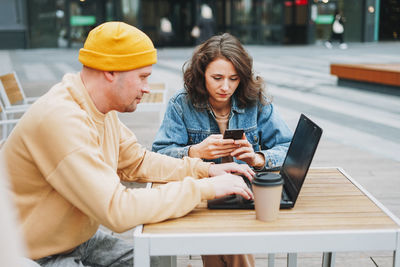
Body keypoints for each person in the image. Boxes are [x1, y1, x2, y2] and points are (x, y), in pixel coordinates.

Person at [1, 22, 255, 266]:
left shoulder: (97, 108)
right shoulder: (61, 119)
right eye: (143, 77)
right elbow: (117, 210)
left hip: (75, 239)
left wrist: (205, 170)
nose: (146, 88)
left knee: (157, 262)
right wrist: (204, 188)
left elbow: (138, 161)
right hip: (29, 254)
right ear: (110, 72)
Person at [152, 33, 292, 267]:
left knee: (228, 243)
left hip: (245, 192)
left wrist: (258, 158)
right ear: (201, 74)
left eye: (234, 78)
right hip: (202, 192)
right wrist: (195, 152)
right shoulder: (181, 104)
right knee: (227, 244)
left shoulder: (254, 101)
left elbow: (288, 147)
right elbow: (158, 155)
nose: (226, 87)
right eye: (217, 78)